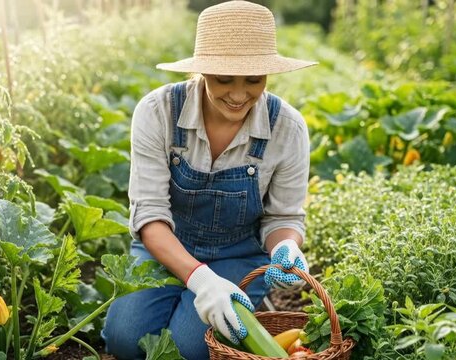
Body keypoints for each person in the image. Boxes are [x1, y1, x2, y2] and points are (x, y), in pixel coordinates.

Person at [102, 1, 317, 359]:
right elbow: (151, 215)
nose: (238, 94)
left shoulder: (288, 128)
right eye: (223, 78)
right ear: (201, 70)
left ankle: (235, 303)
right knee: (126, 338)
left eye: (253, 80)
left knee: (189, 349)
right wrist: (201, 280)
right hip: (167, 247)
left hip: (239, 254)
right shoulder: (158, 113)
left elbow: (283, 217)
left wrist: (287, 247)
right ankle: (214, 305)